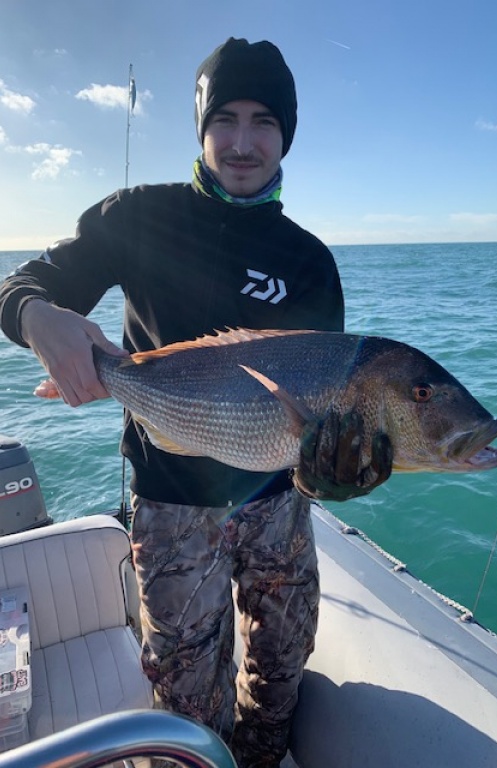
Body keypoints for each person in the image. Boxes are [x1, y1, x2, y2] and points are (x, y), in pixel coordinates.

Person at [0, 38, 391, 767]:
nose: (243, 143)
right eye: (225, 119)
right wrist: (34, 316)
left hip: (277, 500)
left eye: (264, 122)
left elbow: (321, 418)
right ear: (201, 126)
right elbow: (23, 283)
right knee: (187, 696)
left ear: (288, 133)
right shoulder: (139, 217)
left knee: (280, 670)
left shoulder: (310, 261)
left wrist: (334, 472)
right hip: (172, 497)